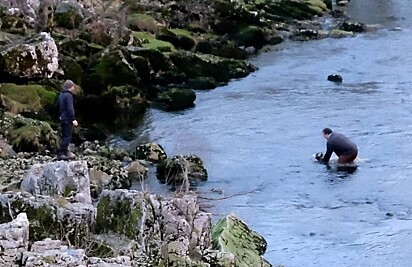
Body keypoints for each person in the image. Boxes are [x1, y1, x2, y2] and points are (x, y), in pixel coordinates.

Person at [56, 80, 78, 160]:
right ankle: (61, 153)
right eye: (72, 86)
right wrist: (73, 119)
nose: (73, 88)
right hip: (68, 119)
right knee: (67, 137)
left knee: (64, 135)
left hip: (62, 118)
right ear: (69, 87)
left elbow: (56, 106)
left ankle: (65, 152)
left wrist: (59, 115)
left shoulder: (61, 95)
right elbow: (70, 108)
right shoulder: (69, 96)